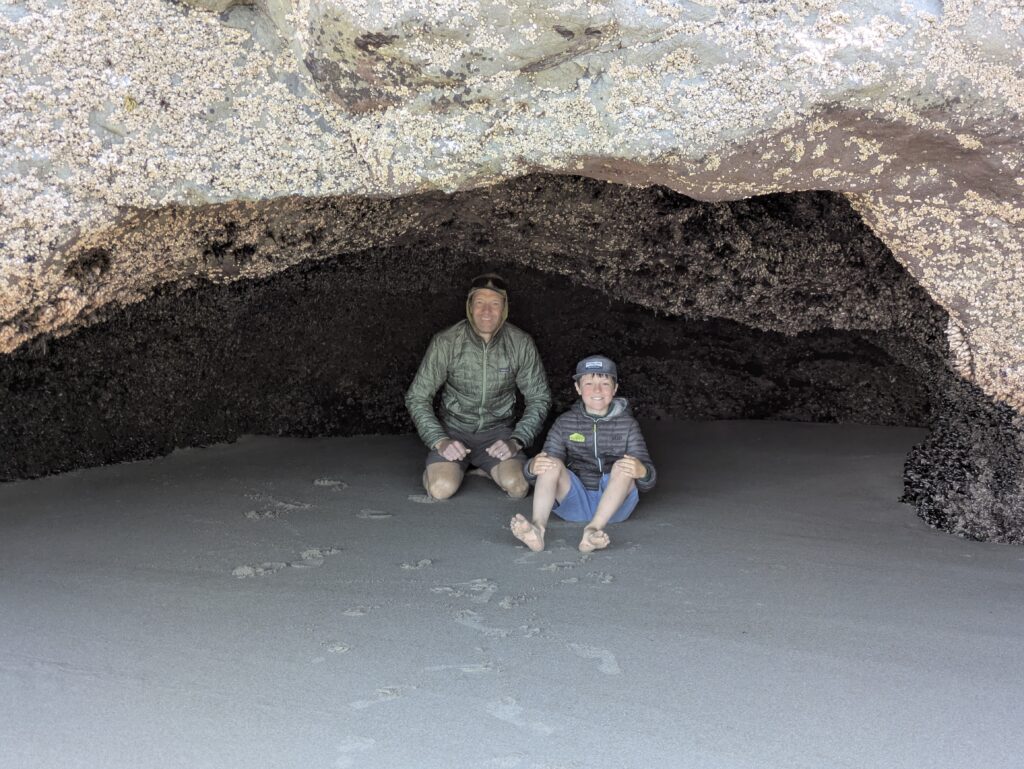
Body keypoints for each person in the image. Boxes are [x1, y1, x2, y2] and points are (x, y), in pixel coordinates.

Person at [405, 273, 552, 500]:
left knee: (518, 488)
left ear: (504, 309)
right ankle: (446, 469)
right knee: (440, 489)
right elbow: (417, 397)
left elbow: (539, 397)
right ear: (469, 307)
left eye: (495, 304)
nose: (486, 311)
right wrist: (440, 441)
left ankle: (484, 467)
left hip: (498, 433)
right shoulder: (446, 342)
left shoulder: (520, 343)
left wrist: (516, 441)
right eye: (480, 302)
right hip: (454, 431)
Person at [511, 355, 656, 553]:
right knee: (549, 462)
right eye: (589, 384)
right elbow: (540, 474)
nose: (597, 390)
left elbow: (649, 481)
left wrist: (642, 472)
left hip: (615, 508)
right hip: (574, 503)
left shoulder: (628, 425)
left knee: (625, 466)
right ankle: (537, 528)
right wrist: (531, 467)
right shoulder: (565, 422)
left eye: (605, 384)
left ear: (615, 389)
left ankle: (593, 530)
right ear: (578, 388)